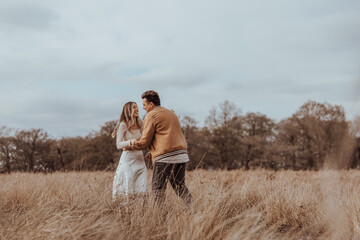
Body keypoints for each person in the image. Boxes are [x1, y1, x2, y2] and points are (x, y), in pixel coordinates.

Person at [128, 90, 193, 205]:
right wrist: (153, 151)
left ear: (151, 104)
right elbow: (165, 136)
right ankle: (194, 210)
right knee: (180, 186)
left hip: (165, 158)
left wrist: (131, 143)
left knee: (157, 190)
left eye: (144, 105)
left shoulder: (151, 115)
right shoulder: (171, 113)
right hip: (181, 155)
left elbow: (144, 142)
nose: (143, 108)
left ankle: (160, 219)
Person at [112, 102, 147, 199]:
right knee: (128, 189)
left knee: (142, 189)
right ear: (128, 111)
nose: (137, 109)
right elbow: (118, 144)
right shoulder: (123, 125)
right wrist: (130, 142)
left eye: (137, 107)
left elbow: (147, 137)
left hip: (140, 159)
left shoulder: (141, 123)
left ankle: (140, 211)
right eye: (134, 108)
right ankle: (127, 211)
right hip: (128, 160)